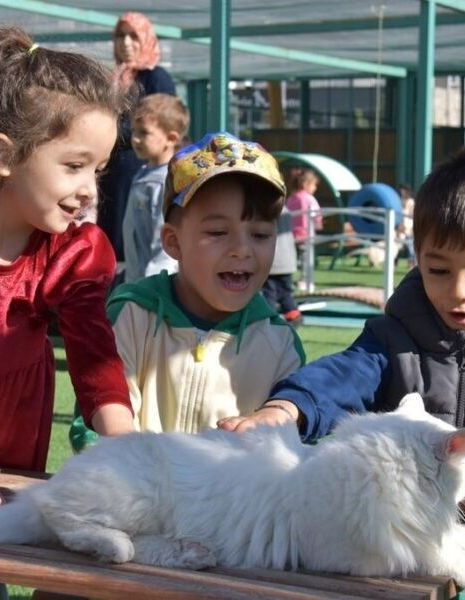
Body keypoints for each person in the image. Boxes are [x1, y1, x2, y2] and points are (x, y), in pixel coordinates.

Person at [219, 146, 465, 599]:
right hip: (403, 553)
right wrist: (287, 407)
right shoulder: (397, 334)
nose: (458, 293)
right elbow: (345, 375)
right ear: (416, 255)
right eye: (438, 269)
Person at [0, 26, 136, 599]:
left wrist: (128, 446)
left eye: (97, 170)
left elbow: (93, 350)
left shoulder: (69, 249)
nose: (88, 189)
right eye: (74, 165)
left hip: (8, 439)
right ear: (3, 156)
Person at [70, 132, 304, 447]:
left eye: (260, 234)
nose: (242, 249)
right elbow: (92, 428)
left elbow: (292, 456)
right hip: (133, 492)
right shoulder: (131, 316)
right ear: (173, 242)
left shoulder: (279, 345)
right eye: (219, 232)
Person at [97, 11, 176, 270]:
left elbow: (161, 123)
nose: (126, 43)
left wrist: (111, 132)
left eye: (133, 36)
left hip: (138, 171)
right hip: (111, 172)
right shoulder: (114, 80)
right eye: (120, 36)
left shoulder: (156, 78)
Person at [123, 93, 189, 282]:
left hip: (153, 286)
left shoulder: (165, 182)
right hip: (136, 280)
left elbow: (163, 244)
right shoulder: (144, 174)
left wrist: (152, 287)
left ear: (171, 138)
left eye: (144, 132)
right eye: (134, 131)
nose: (135, 139)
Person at [262, 206, 303, 326]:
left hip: (273, 260)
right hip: (287, 259)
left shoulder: (266, 209)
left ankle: (269, 320)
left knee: (269, 293)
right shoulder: (285, 210)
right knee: (285, 292)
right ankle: (293, 314)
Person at [285, 168, 323, 290]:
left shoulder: (291, 198)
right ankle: (305, 280)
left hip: (291, 234)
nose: (315, 188)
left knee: (293, 258)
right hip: (306, 234)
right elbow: (317, 214)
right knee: (306, 259)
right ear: (306, 184)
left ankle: (289, 280)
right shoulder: (309, 198)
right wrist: (318, 223)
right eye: (314, 185)